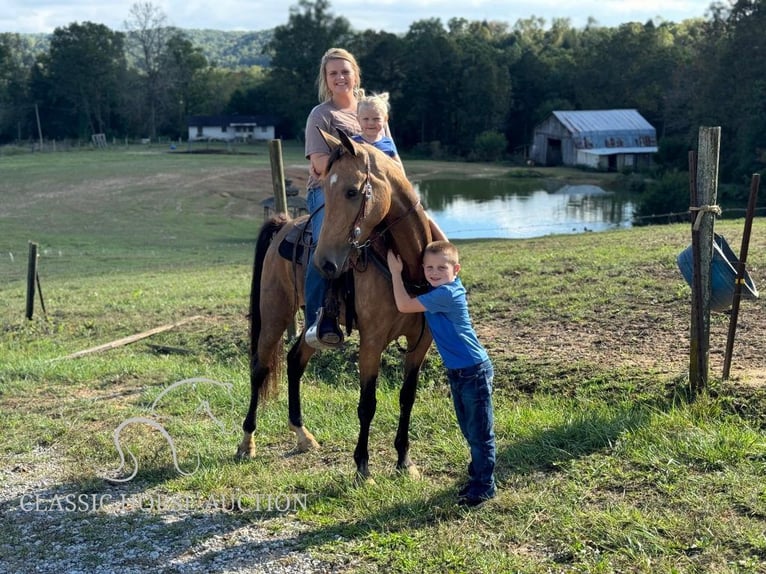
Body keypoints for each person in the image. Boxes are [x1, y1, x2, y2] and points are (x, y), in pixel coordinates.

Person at [387, 241, 496, 506]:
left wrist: (394, 272)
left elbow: (403, 304)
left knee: (481, 434)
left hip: (473, 370)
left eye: (441, 267)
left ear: (455, 269)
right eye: (429, 268)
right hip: (460, 372)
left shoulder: (447, 294)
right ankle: (477, 476)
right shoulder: (438, 289)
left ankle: (484, 488)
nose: (434, 272)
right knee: (470, 430)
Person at [302, 48, 370, 349]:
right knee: (324, 247)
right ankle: (318, 318)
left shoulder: (369, 109)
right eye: (334, 73)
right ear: (326, 80)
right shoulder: (322, 115)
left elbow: (389, 149)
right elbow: (318, 163)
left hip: (368, 194)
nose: (340, 77)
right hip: (326, 193)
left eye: (345, 71)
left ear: (355, 74)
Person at [352, 92, 405, 172]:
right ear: (358, 120)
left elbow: (399, 167)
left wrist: (380, 158)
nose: (371, 123)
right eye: (366, 119)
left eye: (376, 119)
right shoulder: (353, 142)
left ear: (385, 119)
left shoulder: (387, 142)